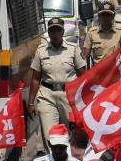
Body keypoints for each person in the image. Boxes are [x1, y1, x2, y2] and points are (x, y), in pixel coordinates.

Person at [28, 18, 86, 151]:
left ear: (62, 31)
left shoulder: (73, 49)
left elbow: (83, 75)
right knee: (50, 135)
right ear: (48, 32)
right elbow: (35, 78)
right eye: (51, 30)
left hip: (68, 96)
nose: (54, 34)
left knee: (71, 134)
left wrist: (83, 99)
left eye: (57, 30)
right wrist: (31, 103)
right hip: (47, 95)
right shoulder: (41, 50)